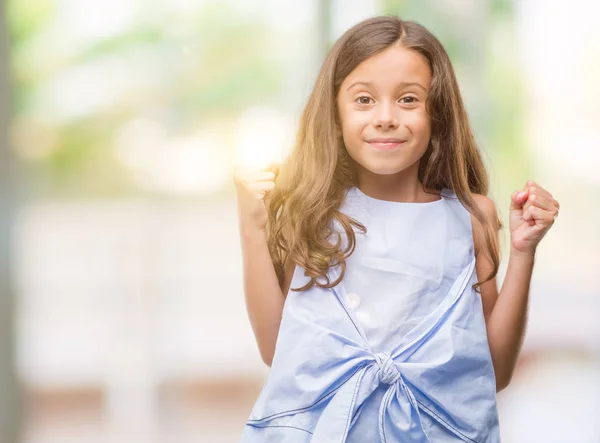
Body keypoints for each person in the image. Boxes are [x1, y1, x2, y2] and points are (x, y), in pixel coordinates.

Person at [233, 16, 559, 443]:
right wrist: (252, 228)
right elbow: (279, 355)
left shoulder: (471, 217)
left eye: (408, 100)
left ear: (436, 112)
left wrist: (523, 254)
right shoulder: (312, 213)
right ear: (334, 112)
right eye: (364, 99)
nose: (385, 117)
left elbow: (492, 373)